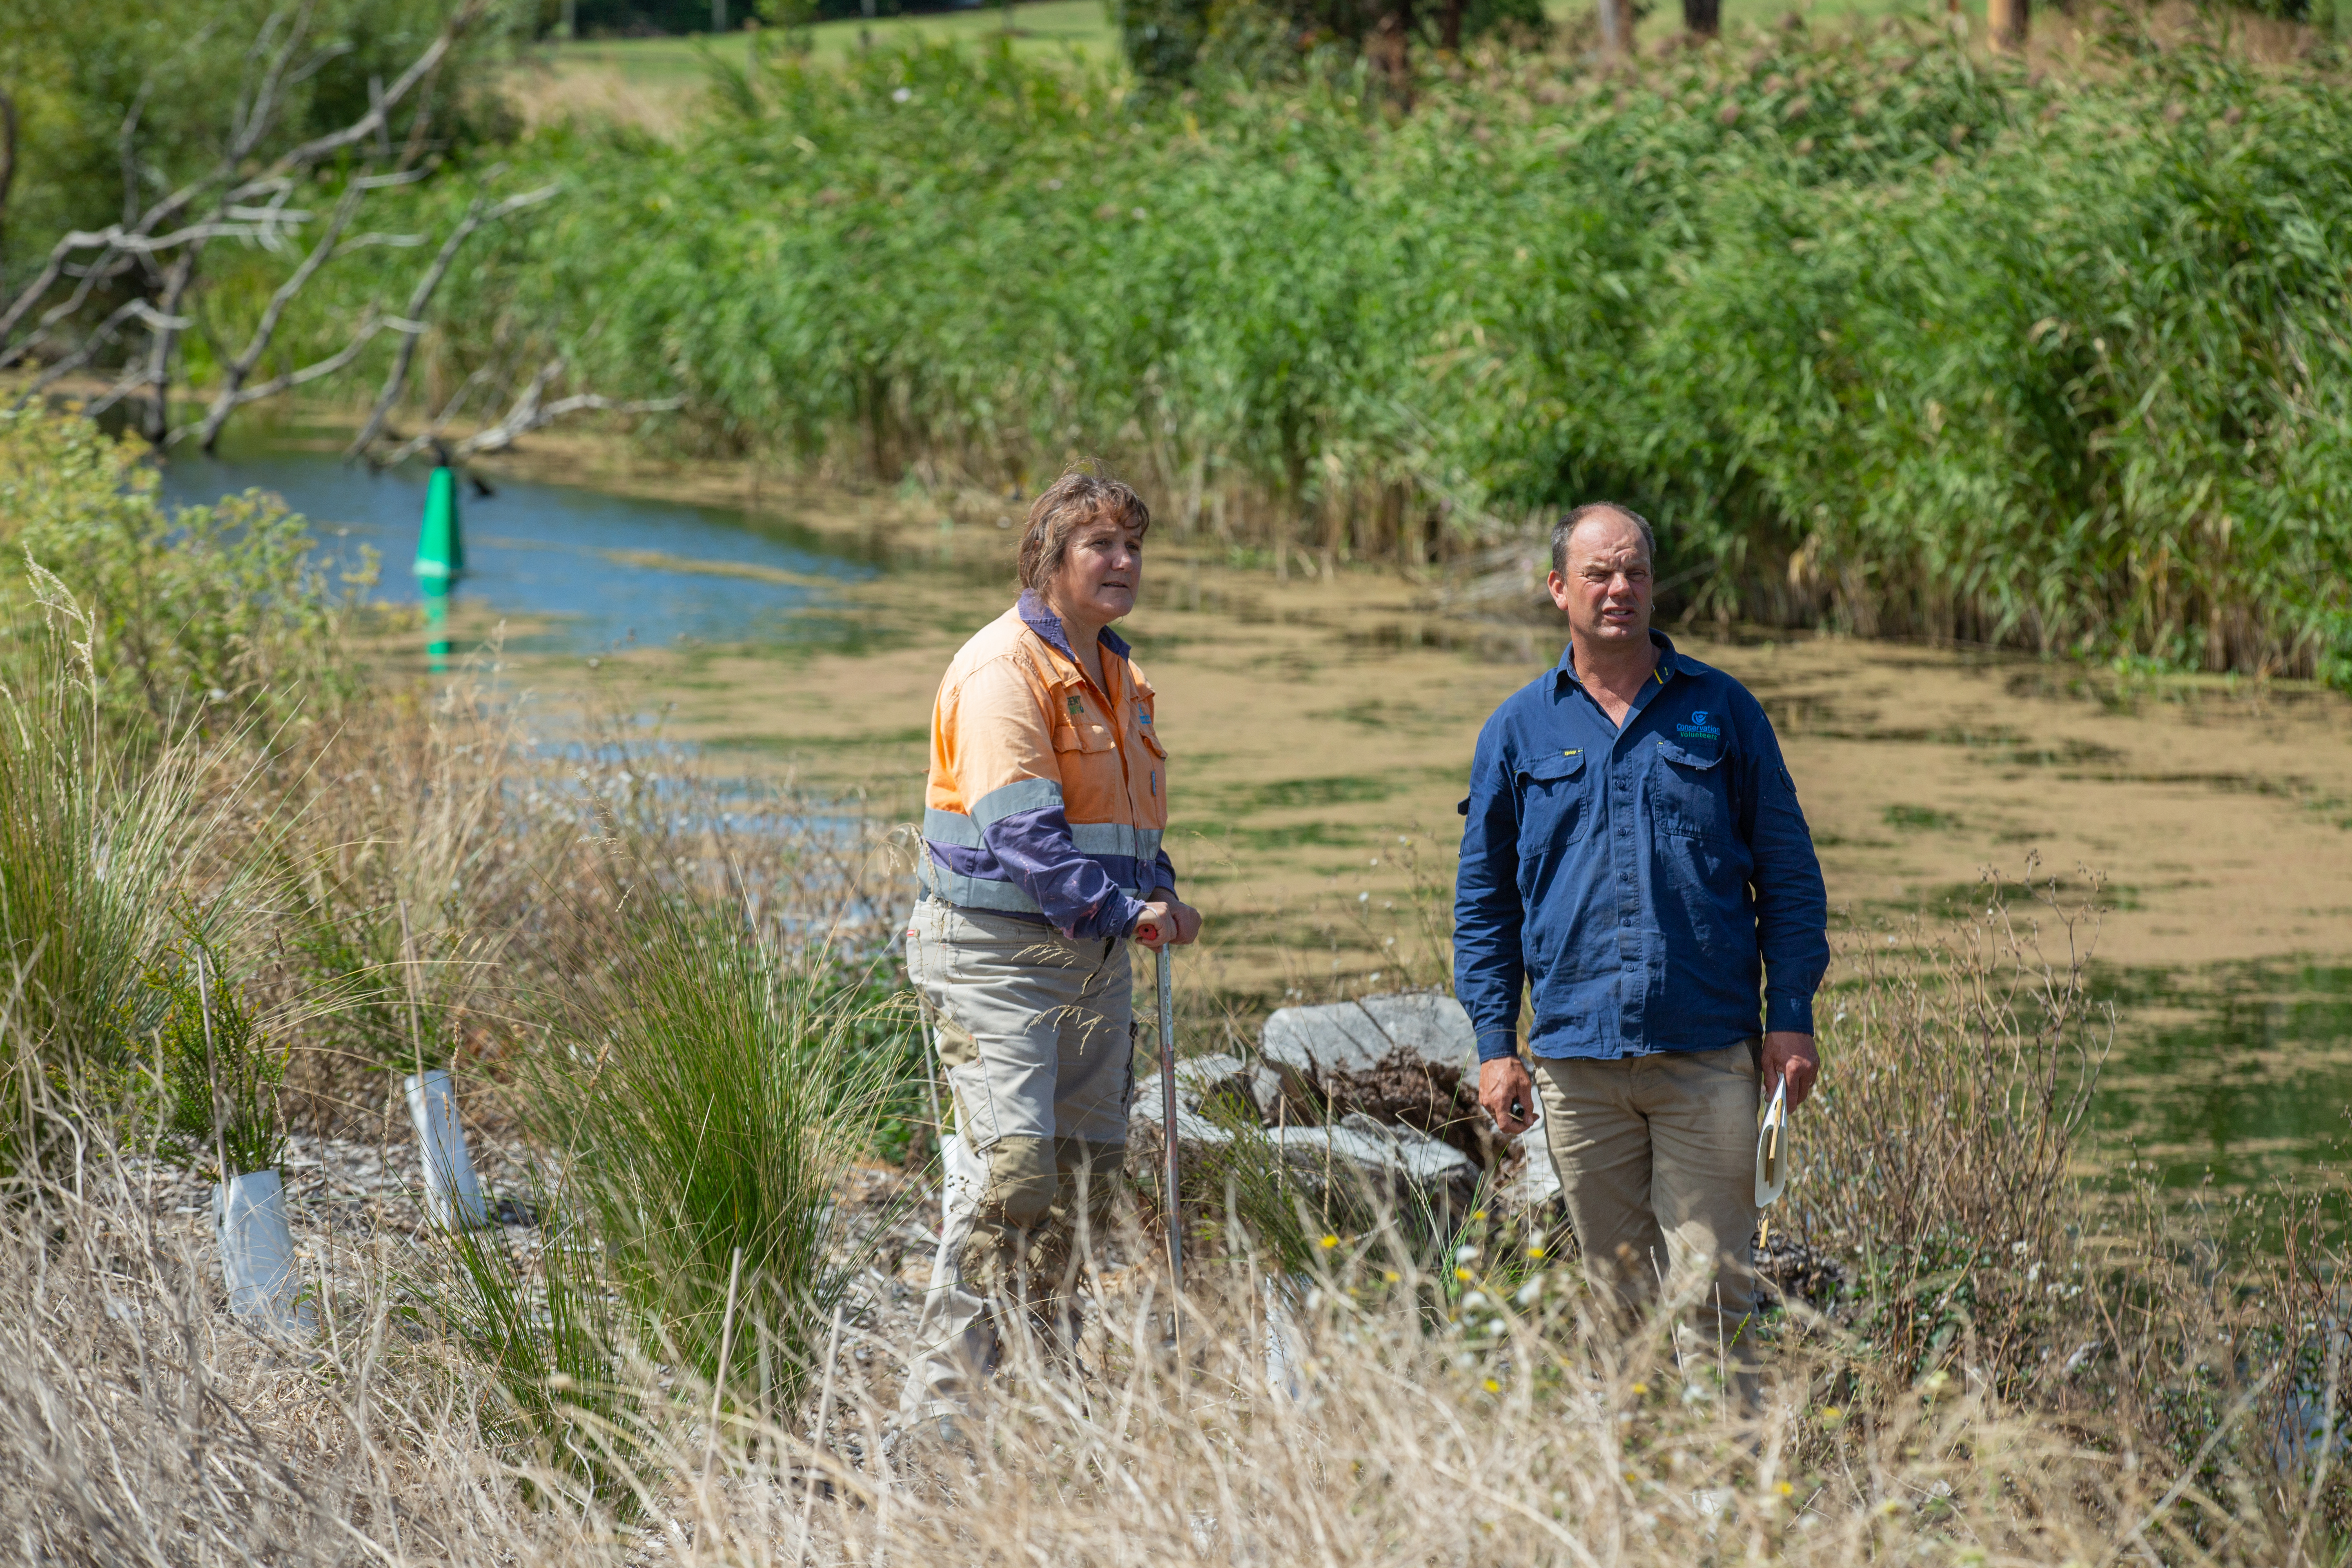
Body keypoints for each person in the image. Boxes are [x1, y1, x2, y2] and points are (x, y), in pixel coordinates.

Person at [1452, 503, 1827, 1395]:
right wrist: (1495, 1044)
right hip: (1580, 1067)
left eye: (1634, 574)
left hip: (1708, 1056)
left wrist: (1794, 1020)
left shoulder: (1723, 711)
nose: (1619, 589)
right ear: (1558, 590)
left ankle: (1728, 1509)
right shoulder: (1518, 731)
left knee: (1713, 1299)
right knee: (1616, 1305)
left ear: (1653, 587)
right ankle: (1633, 1502)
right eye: (1597, 574)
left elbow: (1789, 878)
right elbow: (1484, 902)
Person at [900, 468, 1203, 1429]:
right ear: (1049, 560)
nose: (1122, 563)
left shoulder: (1121, 673)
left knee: (1079, 1182)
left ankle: (1047, 1400)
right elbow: (1025, 835)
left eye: (1132, 547)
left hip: (1092, 963)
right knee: (1011, 1178)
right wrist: (1124, 913)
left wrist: (1161, 891)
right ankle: (940, 1425)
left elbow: (1125, 829)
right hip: (992, 961)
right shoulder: (1001, 671)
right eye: (1099, 546)